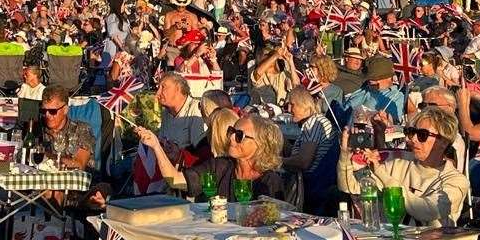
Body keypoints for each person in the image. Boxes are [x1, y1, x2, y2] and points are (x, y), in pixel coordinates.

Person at [338, 107, 468, 227]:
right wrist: (346, 153)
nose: (413, 139)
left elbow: (425, 210)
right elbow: (350, 187)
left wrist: (381, 173)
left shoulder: (456, 181)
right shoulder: (398, 163)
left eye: (422, 135)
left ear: (443, 142)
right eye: (411, 132)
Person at [137, 113, 286, 202]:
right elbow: (174, 180)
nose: (231, 138)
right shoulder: (219, 166)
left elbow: (271, 224)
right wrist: (156, 146)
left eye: (239, 136)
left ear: (260, 144)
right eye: (231, 131)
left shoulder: (270, 181)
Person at [283, 86, 338, 212]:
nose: (289, 109)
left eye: (293, 105)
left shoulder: (313, 123)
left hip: (313, 184)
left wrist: (278, 160)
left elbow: (303, 161)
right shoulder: (314, 123)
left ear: (305, 105)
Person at [38, 85, 95, 170]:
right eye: (43, 111)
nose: (47, 115)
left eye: (52, 111)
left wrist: (47, 156)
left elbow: (79, 165)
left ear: (65, 110)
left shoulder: (81, 130)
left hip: (76, 181)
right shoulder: (38, 129)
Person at [155, 72, 206, 156]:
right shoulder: (166, 113)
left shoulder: (196, 110)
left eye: (163, 87)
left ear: (178, 89)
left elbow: (199, 152)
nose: (157, 94)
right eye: (158, 88)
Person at [345, 55, 405, 123]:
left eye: (375, 78)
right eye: (370, 78)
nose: (371, 81)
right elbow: (346, 107)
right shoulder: (365, 89)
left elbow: (393, 123)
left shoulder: (396, 96)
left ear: (388, 77)